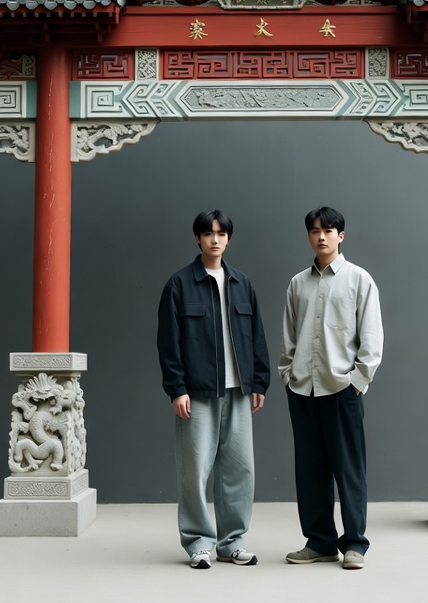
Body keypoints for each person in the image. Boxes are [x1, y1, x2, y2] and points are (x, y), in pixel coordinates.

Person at [157, 209, 270, 569]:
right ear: (197, 238)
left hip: (238, 391)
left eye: (221, 233)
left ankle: (232, 542)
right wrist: (177, 388)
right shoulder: (179, 284)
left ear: (229, 238)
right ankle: (198, 543)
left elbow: (256, 338)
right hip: (197, 392)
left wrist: (258, 381)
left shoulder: (242, 283)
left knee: (240, 470)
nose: (215, 239)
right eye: (208, 233)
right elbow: (168, 342)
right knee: (194, 470)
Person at [279, 206, 383, 570]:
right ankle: (320, 541)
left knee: (348, 468)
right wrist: (287, 375)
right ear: (308, 235)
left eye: (328, 230)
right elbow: (289, 336)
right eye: (314, 230)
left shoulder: (359, 280)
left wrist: (358, 381)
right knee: (309, 469)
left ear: (341, 235)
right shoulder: (297, 283)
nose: (321, 236)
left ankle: (354, 543)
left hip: (342, 389)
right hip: (303, 390)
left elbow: (371, 337)